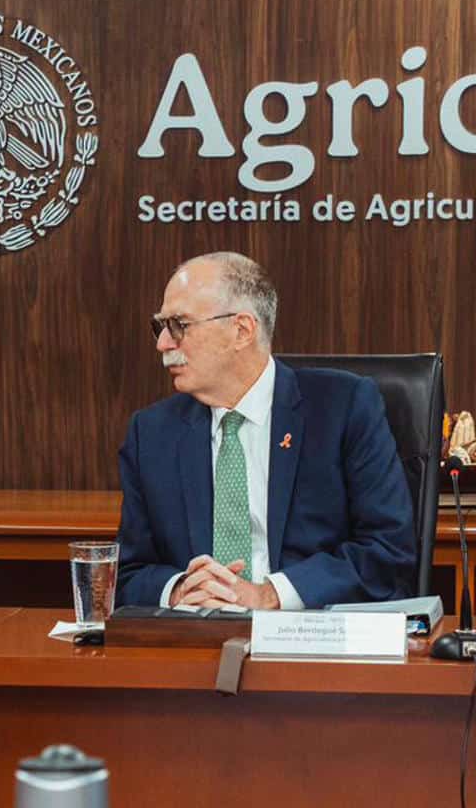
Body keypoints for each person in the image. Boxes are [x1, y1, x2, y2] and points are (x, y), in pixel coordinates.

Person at [114, 252, 415, 610]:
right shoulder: (151, 434)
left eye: (179, 325)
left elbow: (388, 550)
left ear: (242, 330)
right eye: (160, 327)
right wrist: (180, 590)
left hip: (312, 641)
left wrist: (269, 595)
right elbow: (128, 573)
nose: (163, 344)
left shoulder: (343, 409)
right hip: (193, 643)